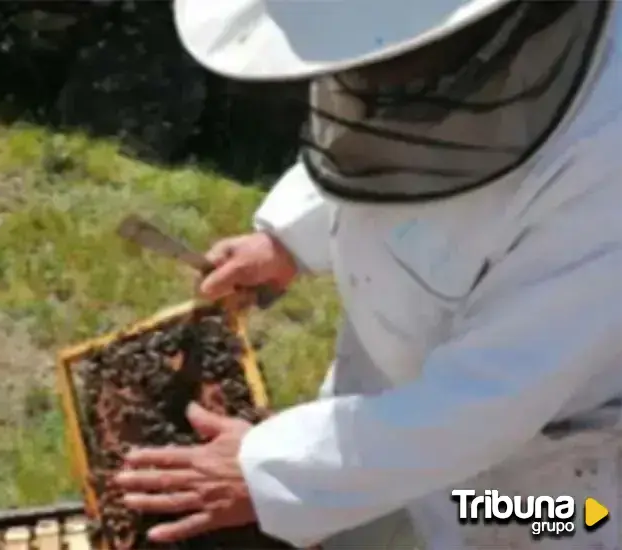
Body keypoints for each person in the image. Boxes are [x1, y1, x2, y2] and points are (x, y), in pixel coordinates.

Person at [112, 0, 622, 548]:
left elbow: (494, 397)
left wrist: (275, 472)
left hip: (534, 490)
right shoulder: (428, 55)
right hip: (375, 418)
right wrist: (289, 237)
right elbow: (386, 130)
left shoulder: (605, 157)